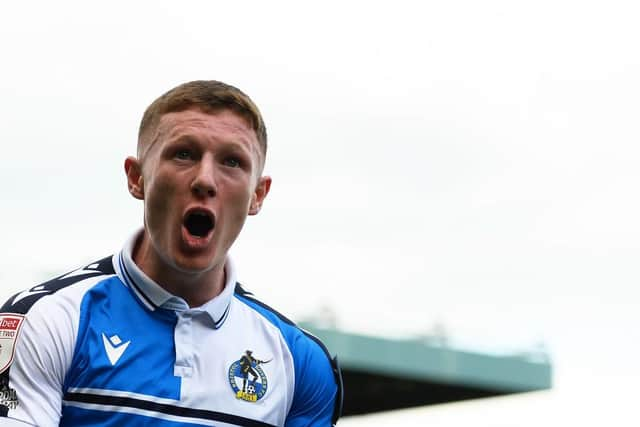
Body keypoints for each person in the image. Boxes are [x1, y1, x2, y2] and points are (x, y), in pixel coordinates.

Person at [0, 80, 342, 426]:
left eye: (232, 161)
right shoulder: (43, 321)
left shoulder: (299, 363)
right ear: (137, 178)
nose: (205, 180)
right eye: (184, 154)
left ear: (258, 195)